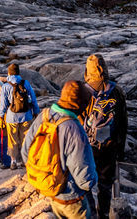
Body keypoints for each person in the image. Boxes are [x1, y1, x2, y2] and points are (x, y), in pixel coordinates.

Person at [24, 81, 98, 219]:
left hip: (52, 193)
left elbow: (25, 152)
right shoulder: (74, 129)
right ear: (80, 104)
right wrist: (94, 179)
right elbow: (84, 179)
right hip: (73, 200)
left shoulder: (44, 116)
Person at [84, 55, 128, 219]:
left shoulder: (83, 91)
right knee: (105, 185)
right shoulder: (116, 91)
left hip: (87, 148)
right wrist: (120, 150)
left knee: (84, 184)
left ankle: (90, 213)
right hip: (109, 148)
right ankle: (103, 214)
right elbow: (123, 123)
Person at [0, 64, 39, 170]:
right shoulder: (25, 83)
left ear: (9, 73)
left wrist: (1, 116)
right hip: (26, 115)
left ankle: (13, 161)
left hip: (11, 117)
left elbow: (3, 103)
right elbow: (33, 98)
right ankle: (25, 161)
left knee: (12, 140)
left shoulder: (6, 86)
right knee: (25, 139)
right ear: (18, 72)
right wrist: (36, 111)